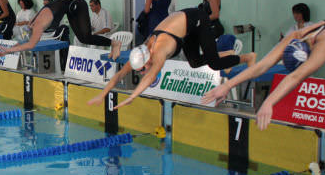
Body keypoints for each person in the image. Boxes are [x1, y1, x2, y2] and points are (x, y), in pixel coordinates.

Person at [88, 8, 257, 108]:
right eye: (140, 70)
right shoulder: (139, 54)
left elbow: (151, 76)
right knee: (195, 62)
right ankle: (226, 55)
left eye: (142, 69)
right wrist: (102, 95)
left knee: (213, 64)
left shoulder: (160, 51)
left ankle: (247, 57)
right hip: (184, 28)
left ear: (148, 61)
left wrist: (132, 97)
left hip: (197, 19)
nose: (142, 72)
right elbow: (118, 75)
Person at [202, 17, 325, 130]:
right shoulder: (296, 36)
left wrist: (268, 102)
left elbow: (296, 76)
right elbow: (262, 66)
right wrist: (227, 86)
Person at [0, 0, 122, 59]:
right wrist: (7, 51)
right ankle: (114, 43)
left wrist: (7, 50)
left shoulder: (40, 23)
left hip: (77, 3)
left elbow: (30, 44)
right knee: (84, 39)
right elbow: (28, 43)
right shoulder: (36, 24)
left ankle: (115, 44)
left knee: (87, 36)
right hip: (70, 9)